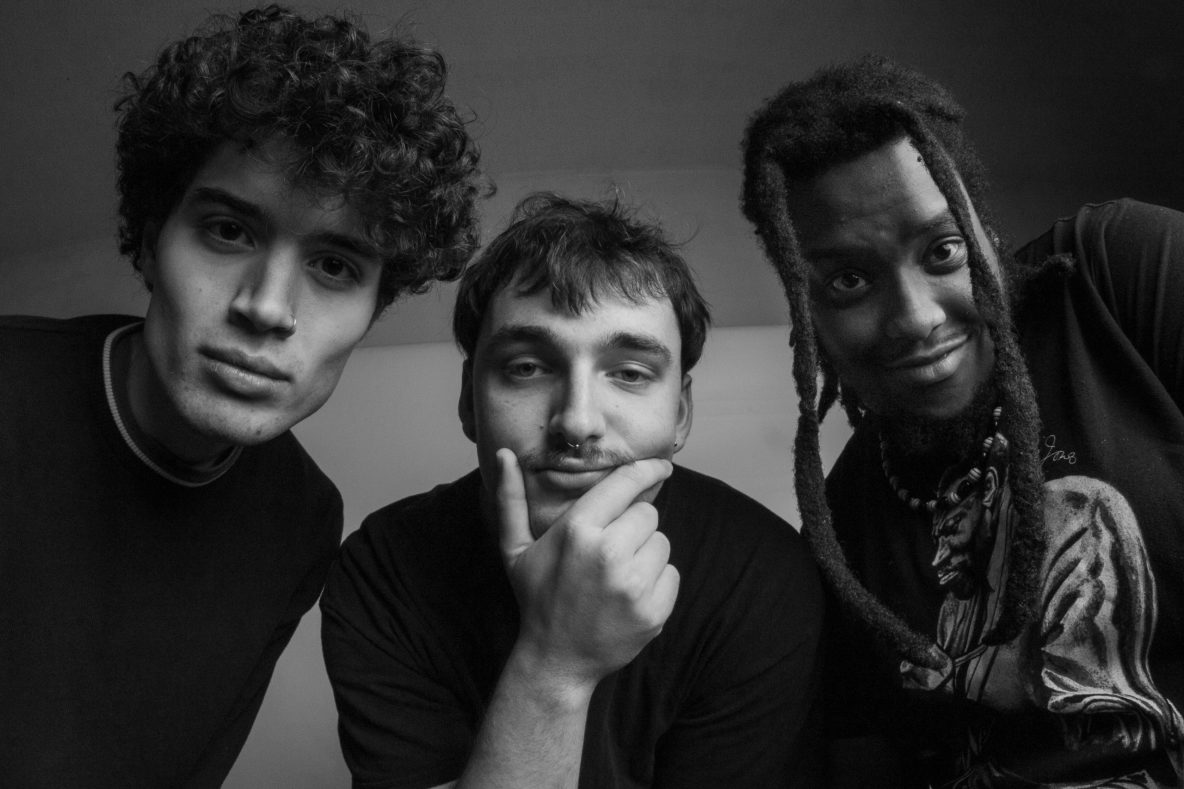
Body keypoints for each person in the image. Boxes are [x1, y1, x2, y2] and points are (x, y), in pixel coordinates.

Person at [0, 6, 482, 786]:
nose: (267, 305)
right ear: (154, 237)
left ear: (373, 312)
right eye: (229, 230)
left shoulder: (302, 517)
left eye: (334, 266)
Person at [741, 55, 1184, 786]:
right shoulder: (845, 525)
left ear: (985, 230)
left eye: (943, 251)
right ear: (805, 309)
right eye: (849, 280)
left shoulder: (1118, 275)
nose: (915, 318)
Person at [320, 192, 824, 788]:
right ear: (468, 401)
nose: (577, 421)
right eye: (527, 368)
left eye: (630, 373)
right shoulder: (385, 565)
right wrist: (556, 665)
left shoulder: (763, 576)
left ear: (681, 412)